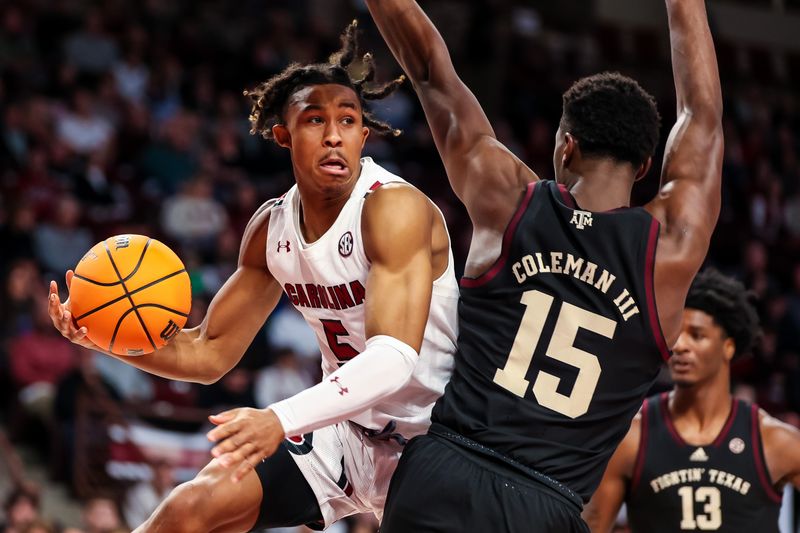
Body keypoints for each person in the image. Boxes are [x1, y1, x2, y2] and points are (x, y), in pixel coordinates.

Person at [49, 22, 458, 532]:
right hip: (346, 431)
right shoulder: (271, 230)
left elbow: (394, 360)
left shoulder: (393, 208)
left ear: (362, 135)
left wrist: (280, 418)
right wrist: (106, 338)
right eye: (315, 120)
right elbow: (208, 353)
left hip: (441, 440)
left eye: (348, 120)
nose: (334, 135)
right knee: (188, 509)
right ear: (283, 135)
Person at [366, 0, 722, 530]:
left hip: (442, 472)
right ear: (646, 165)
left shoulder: (507, 199)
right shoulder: (668, 248)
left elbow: (428, 70)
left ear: (566, 148)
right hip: (543, 505)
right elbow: (703, 117)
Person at [583, 270, 800, 532]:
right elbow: (593, 526)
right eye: (677, 334)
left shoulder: (773, 441)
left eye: (697, 335)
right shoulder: (631, 437)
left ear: (728, 347)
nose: (681, 346)